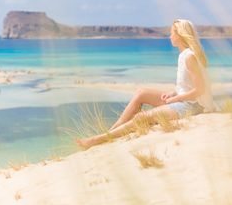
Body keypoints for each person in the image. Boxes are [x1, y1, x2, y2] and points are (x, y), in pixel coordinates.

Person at [76, 19, 214, 149]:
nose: (170, 36)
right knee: (141, 92)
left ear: (180, 35)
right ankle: (112, 130)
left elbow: (200, 90)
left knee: (142, 117)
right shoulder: (183, 54)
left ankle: (99, 140)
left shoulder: (189, 56)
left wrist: (175, 99)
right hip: (181, 101)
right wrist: (172, 93)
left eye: (172, 33)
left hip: (191, 106)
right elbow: (185, 86)